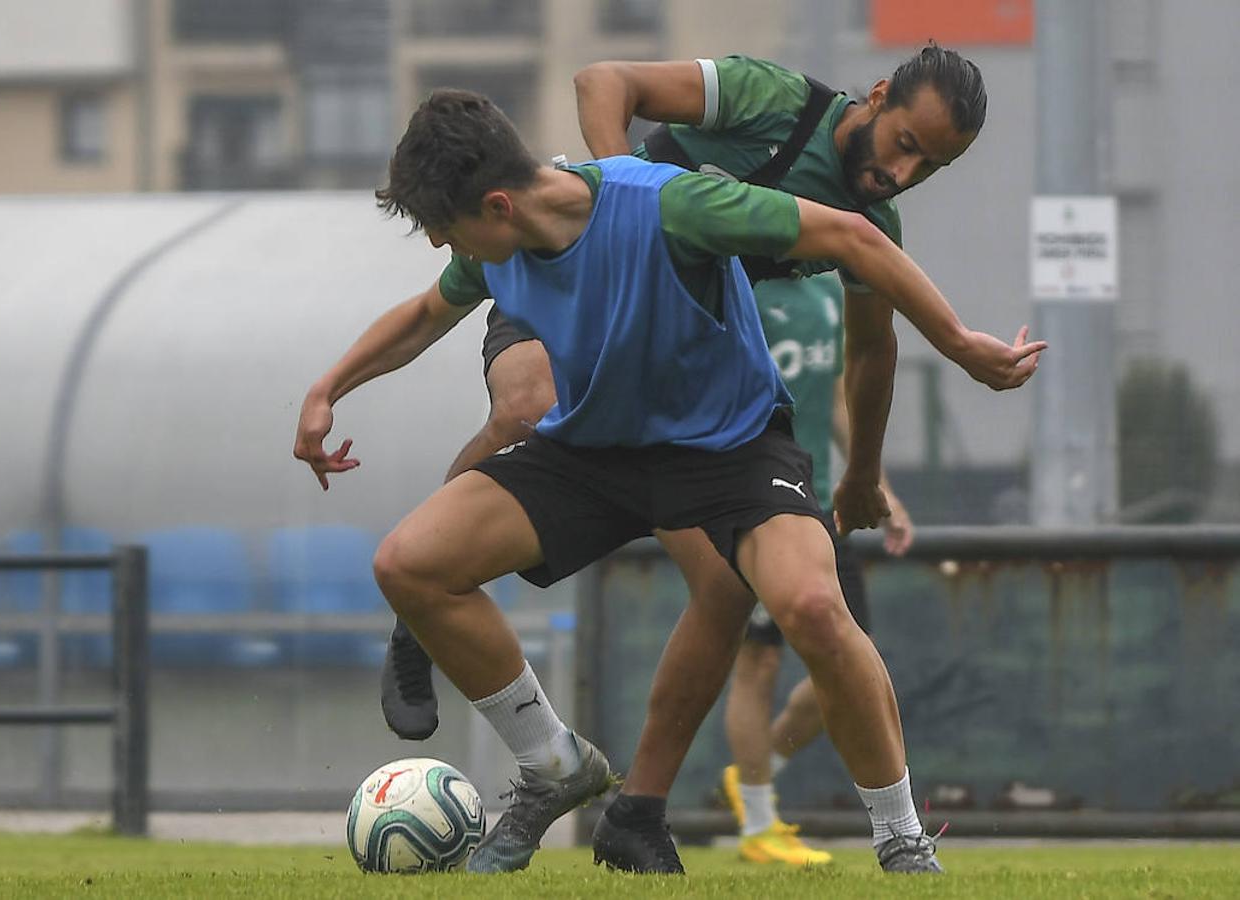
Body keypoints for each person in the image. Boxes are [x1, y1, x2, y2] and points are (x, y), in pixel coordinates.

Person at [295, 88, 1042, 873]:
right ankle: (552, 765)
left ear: (497, 203)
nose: (444, 247)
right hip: (593, 452)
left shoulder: (670, 206)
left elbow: (853, 236)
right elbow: (422, 315)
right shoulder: (492, 250)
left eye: (446, 230)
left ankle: (899, 839)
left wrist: (961, 345)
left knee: (814, 606)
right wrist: (326, 390)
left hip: (729, 448)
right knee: (408, 563)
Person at [381, 45, 1019, 746]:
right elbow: (603, 80)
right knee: (525, 407)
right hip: (568, 263)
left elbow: (870, 351)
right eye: (905, 145)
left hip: (656, 353)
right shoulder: (772, 99)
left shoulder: (866, 225)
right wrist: (615, 204)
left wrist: (864, 475)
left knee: (723, 588)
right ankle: (416, 618)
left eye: (929, 167)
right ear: (876, 97)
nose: (903, 174)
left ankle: (639, 808)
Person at [715, 273, 915, 867]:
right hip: (757, 506)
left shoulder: (831, 294)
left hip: (823, 510)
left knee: (854, 662)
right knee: (759, 660)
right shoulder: (737, 286)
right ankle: (757, 824)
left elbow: (833, 396)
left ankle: (759, 770)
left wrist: (878, 482)